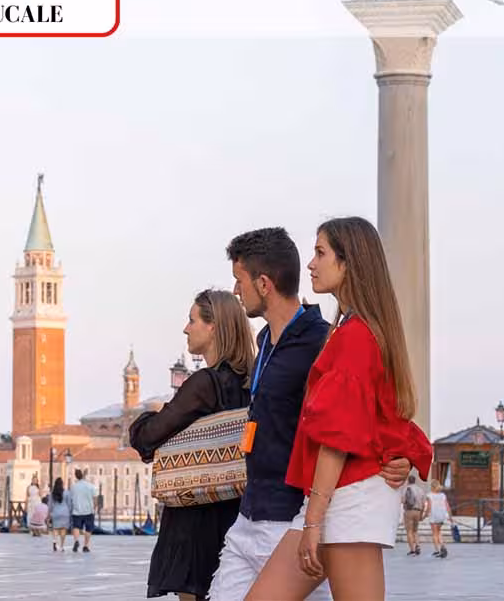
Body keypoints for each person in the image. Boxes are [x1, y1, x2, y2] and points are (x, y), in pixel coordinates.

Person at [209, 227, 411, 601]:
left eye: (320, 253)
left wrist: (313, 521)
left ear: (348, 263)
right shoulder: (343, 332)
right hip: (321, 503)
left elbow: (337, 434)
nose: (311, 263)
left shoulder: (346, 337)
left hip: (343, 502)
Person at [130, 289, 255, 601]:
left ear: (213, 327)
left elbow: (147, 436)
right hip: (240, 512)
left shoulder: (204, 384)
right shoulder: (253, 380)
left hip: (197, 516)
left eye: (192, 320)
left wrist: (152, 413)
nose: (186, 328)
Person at [69, 469, 96, 552]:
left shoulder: (73, 487)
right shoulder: (91, 486)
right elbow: (95, 498)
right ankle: (86, 546)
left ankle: (76, 540)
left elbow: (71, 499)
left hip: (77, 510)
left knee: (76, 527)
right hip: (89, 510)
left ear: (76, 476)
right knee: (88, 529)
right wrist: (94, 508)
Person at [423, 480, 452, 558]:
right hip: (441, 515)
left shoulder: (429, 495)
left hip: (433, 515)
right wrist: (450, 516)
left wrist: (424, 516)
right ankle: (442, 546)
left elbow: (429, 507)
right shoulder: (443, 495)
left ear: (432, 487)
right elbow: (447, 506)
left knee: (434, 533)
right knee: (439, 532)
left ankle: (437, 550)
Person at [402, 474, 425, 555]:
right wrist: (421, 514)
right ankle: (417, 545)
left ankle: (412, 550)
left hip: (409, 511)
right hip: (418, 511)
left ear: (408, 480)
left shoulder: (406, 489)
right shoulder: (420, 490)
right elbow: (423, 504)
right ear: (415, 480)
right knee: (415, 531)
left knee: (409, 531)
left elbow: (403, 500)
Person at [48, 477, 72, 552]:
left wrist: (50, 513)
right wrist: (70, 512)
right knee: (63, 530)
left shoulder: (52, 493)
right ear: (62, 484)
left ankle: (54, 541)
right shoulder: (67, 492)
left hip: (55, 513)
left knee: (55, 529)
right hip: (65, 513)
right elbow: (69, 504)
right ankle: (61, 546)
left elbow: (50, 505)